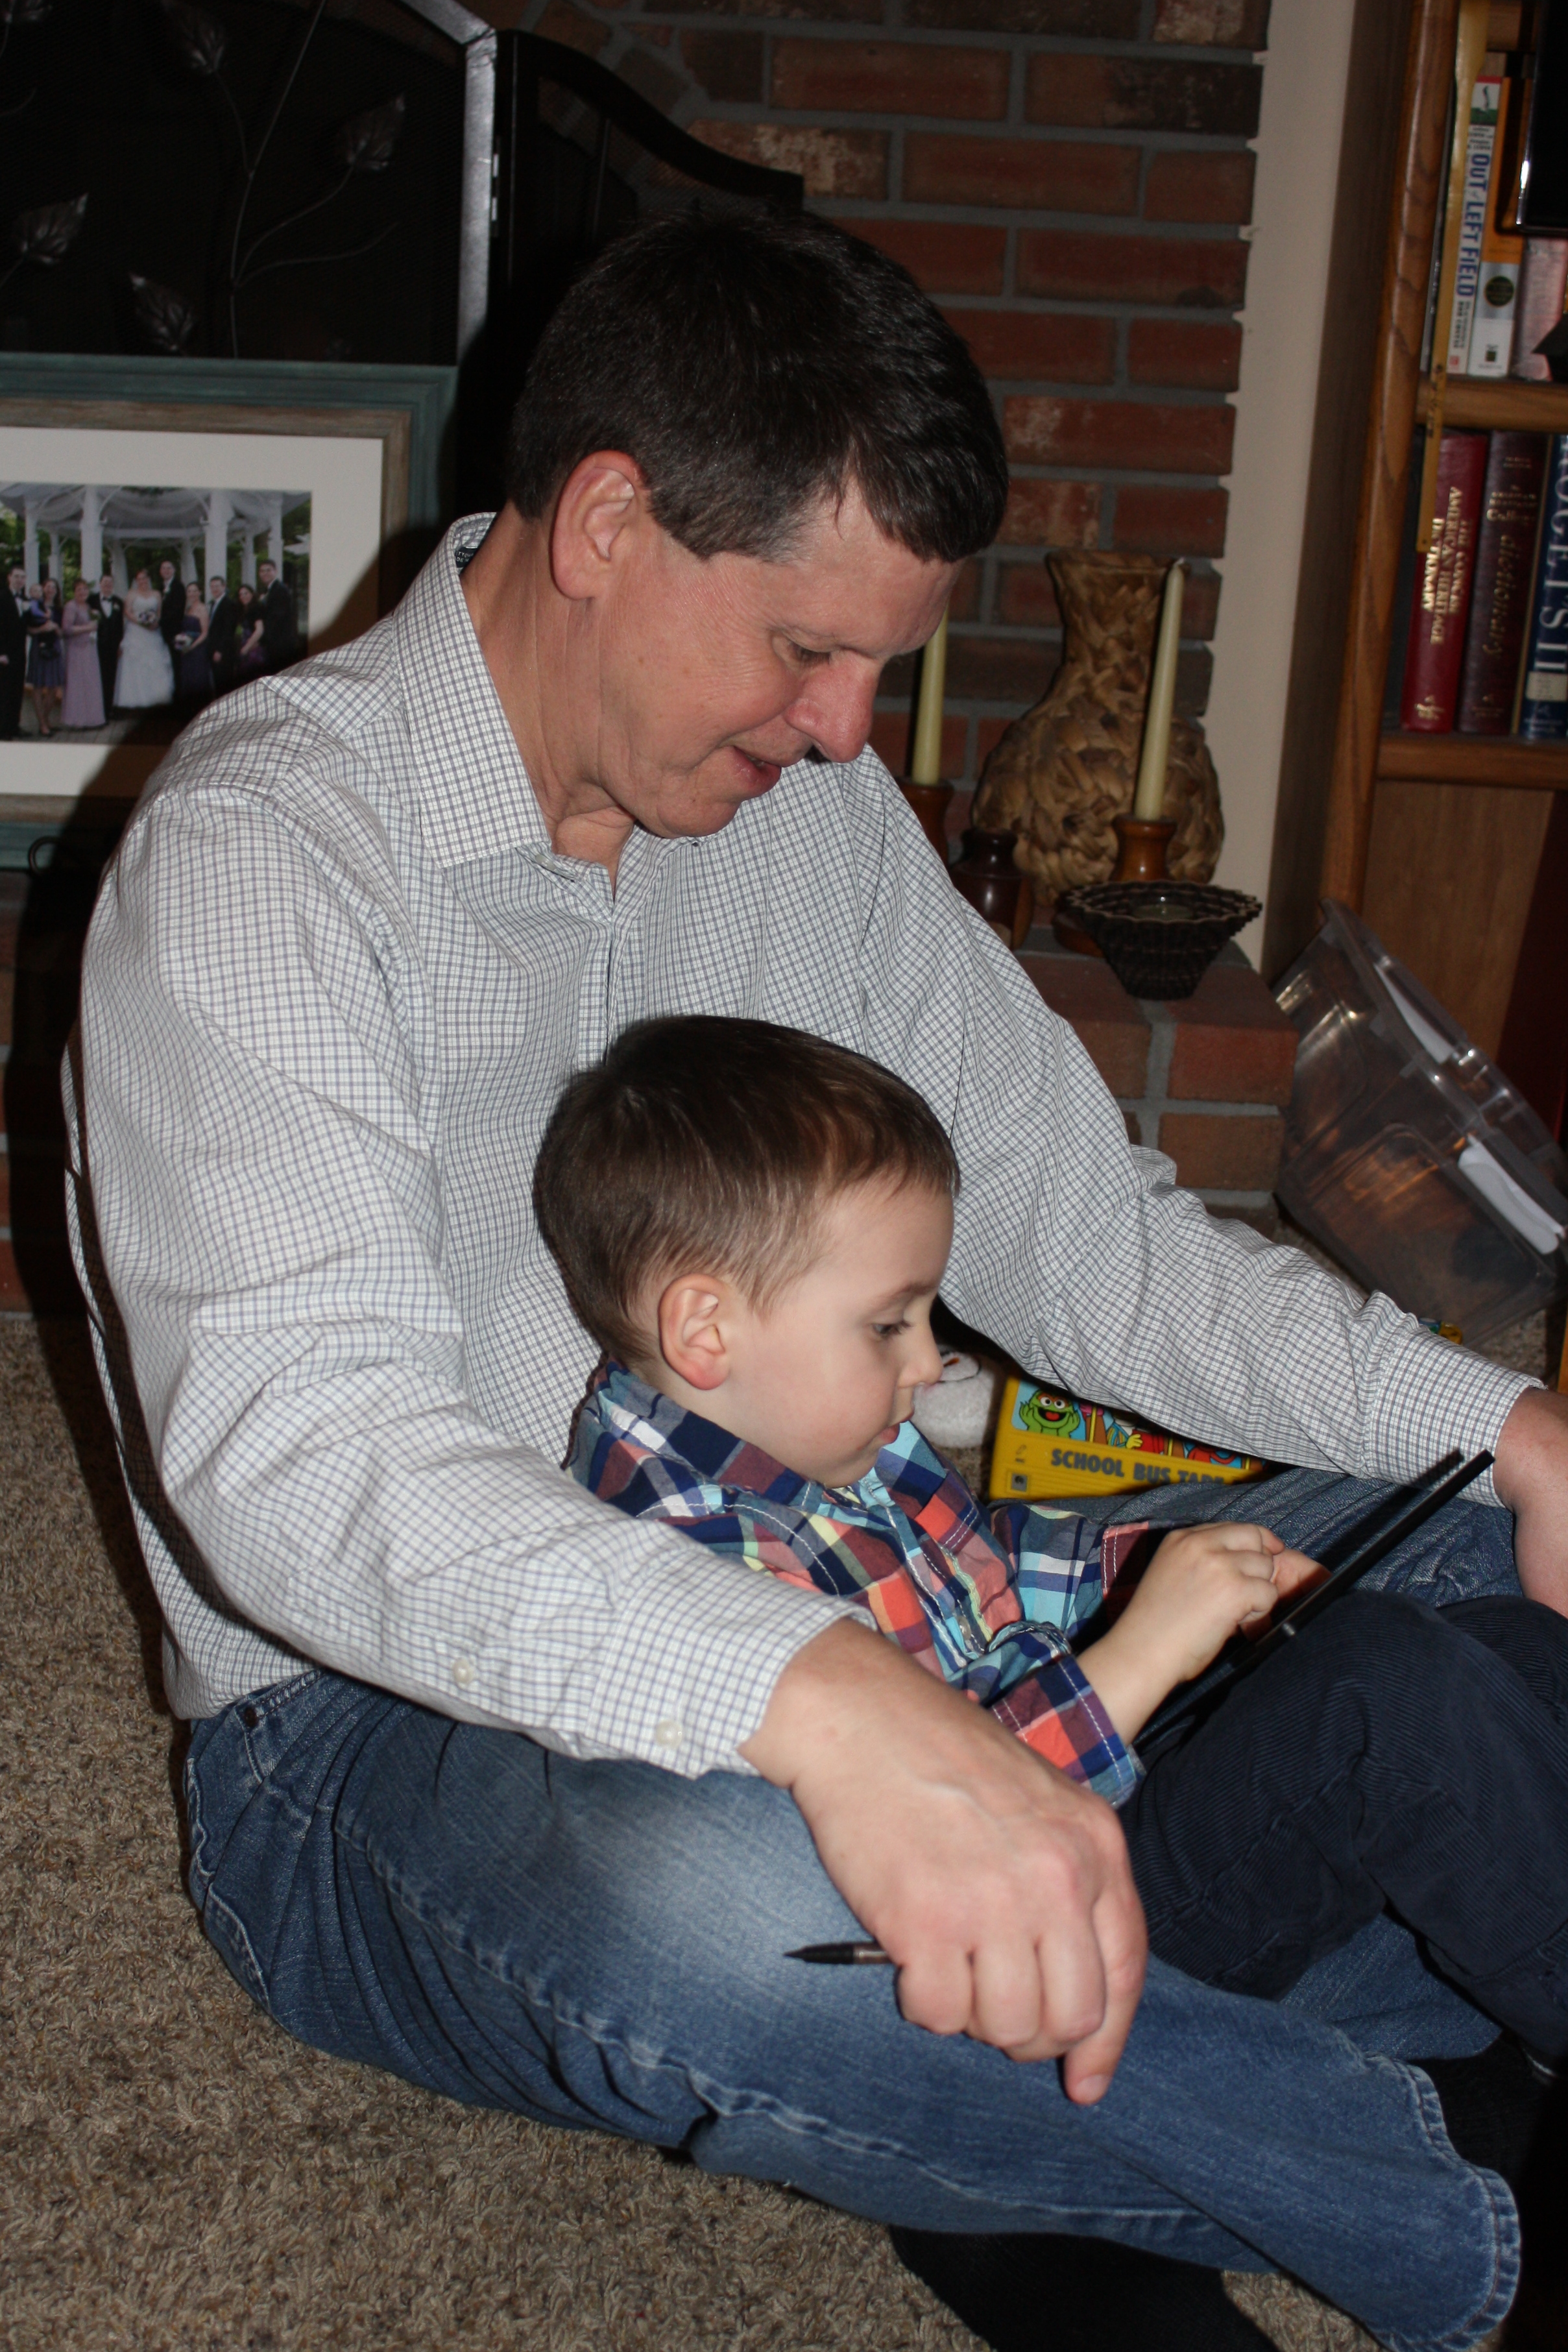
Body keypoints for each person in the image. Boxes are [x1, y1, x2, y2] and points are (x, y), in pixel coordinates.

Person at [67, 212, 1568, 2352]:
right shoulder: (263, 855)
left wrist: (1498, 1422)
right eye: (802, 649)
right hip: (382, 1733)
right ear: (606, 525)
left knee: (1460, 1537)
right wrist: (827, 1707)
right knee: (725, 1906)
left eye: (878, 665)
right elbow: (306, 1470)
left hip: (888, 1534)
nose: (852, 733)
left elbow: (1096, 1240)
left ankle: (1030, 2055)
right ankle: (1443, 2181)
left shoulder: (807, 818)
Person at [544, 1014, 1568, 2068]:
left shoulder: (823, 1430)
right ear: (704, 1331)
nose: (930, 1362)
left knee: (1503, 1644)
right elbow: (938, 1825)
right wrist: (1141, 1653)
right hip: (1035, 1932)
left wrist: (1152, 1571)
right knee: (1377, 1697)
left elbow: (982, 1565)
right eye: (890, 1323)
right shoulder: (689, 1565)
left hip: (1089, 1789)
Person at [114, 567, 175, 708]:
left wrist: (155, 622)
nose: (142, 581)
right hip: (136, 632)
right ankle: (136, 699)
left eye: (144, 578)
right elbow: (127, 612)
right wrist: (141, 623)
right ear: (136, 581)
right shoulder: (132, 594)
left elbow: (159, 613)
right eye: (139, 579)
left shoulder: (157, 594)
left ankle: (155, 699)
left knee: (155, 663)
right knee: (136, 664)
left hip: (153, 632)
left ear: (149, 579)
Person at [60, 576, 105, 730]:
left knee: (91, 683)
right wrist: (88, 628)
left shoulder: (89, 606)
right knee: (77, 684)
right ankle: (77, 720)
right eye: (79, 589)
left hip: (90, 649)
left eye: (85, 589)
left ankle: (92, 719)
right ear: (74, 592)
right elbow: (67, 629)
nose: (83, 592)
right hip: (77, 650)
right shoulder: (71, 606)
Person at [24, 576, 64, 734]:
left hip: (54, 647)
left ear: (57, 591)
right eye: (48, 586)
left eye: (54, 587)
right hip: (38, 647)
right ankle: (42, 724)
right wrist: (42, 629)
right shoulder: (34, 605)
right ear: (43, 589)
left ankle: (45, 719)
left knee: (54, 687)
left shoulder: (59, 609)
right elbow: (27, 629)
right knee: (38, 686)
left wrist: (56, 628)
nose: (51, 590)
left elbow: (62, 633)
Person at [173, 579, 212, 705]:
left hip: (197, 649)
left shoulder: (202, 609)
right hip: (186, 648)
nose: (192, 594)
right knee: (187, 677)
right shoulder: (187, 609)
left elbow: (205, 633)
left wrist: (192, 646)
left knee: (198, 677)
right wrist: (182, 643)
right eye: (190, 591)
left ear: (200, 592)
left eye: (195, 591)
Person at [90, 574, 123, 718]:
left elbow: (120, 626)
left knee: (110, 679)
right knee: (96, 678)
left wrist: (120, 645)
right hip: (95, 646)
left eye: (110, 582)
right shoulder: (91, 600)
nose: (108, 585)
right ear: (100, 584)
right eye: (105, 582)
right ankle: (95, 710)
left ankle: (108, 710)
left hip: (113, 647)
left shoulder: (118, 602)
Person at [256, 557, 296, 670]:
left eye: (268, 570)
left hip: (280, 643)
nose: (265, 573)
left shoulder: (280, 590)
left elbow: (277, 617)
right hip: (273, 643)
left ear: (275, 571)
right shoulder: (269, 590)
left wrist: (262, 639)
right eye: (262, 571)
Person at [0, 562, 25, 737]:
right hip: (5, 654)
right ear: (9, 577)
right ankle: (4, 729)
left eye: (22, 577)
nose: (19, 580)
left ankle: (15, 726)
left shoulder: (25, 599)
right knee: (5, 691)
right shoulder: (2, 597)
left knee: (17, 690)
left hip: (19, 653)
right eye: (16, 576)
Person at [204, 574, 238, 694]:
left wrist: (220, 650)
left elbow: (228, 630)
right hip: (213, 649)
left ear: (224, 587)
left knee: (224, 684)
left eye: (217, 586)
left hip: (223, 652)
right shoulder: (213, 604)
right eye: (212, 587)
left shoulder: (229, 604)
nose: (214, 589)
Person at [232, 580, 265, 681]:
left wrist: (247, 648)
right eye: (241, 594)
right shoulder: (243, 610)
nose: (243, 596)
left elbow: (260, 630)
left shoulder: (256, 608)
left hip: (253, 649)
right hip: (245, 646)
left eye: (246, 593)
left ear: (252, 594)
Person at [157, 557, 184, 652]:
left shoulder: (178, 586)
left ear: (174, 570)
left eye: (169, 568)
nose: (166, 571)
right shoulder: (161, 587)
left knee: (175, 656)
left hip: (174, 630)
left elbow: (178, 610)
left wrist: (160, 621)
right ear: (160, 571)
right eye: (164, 568)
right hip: (164, 630)